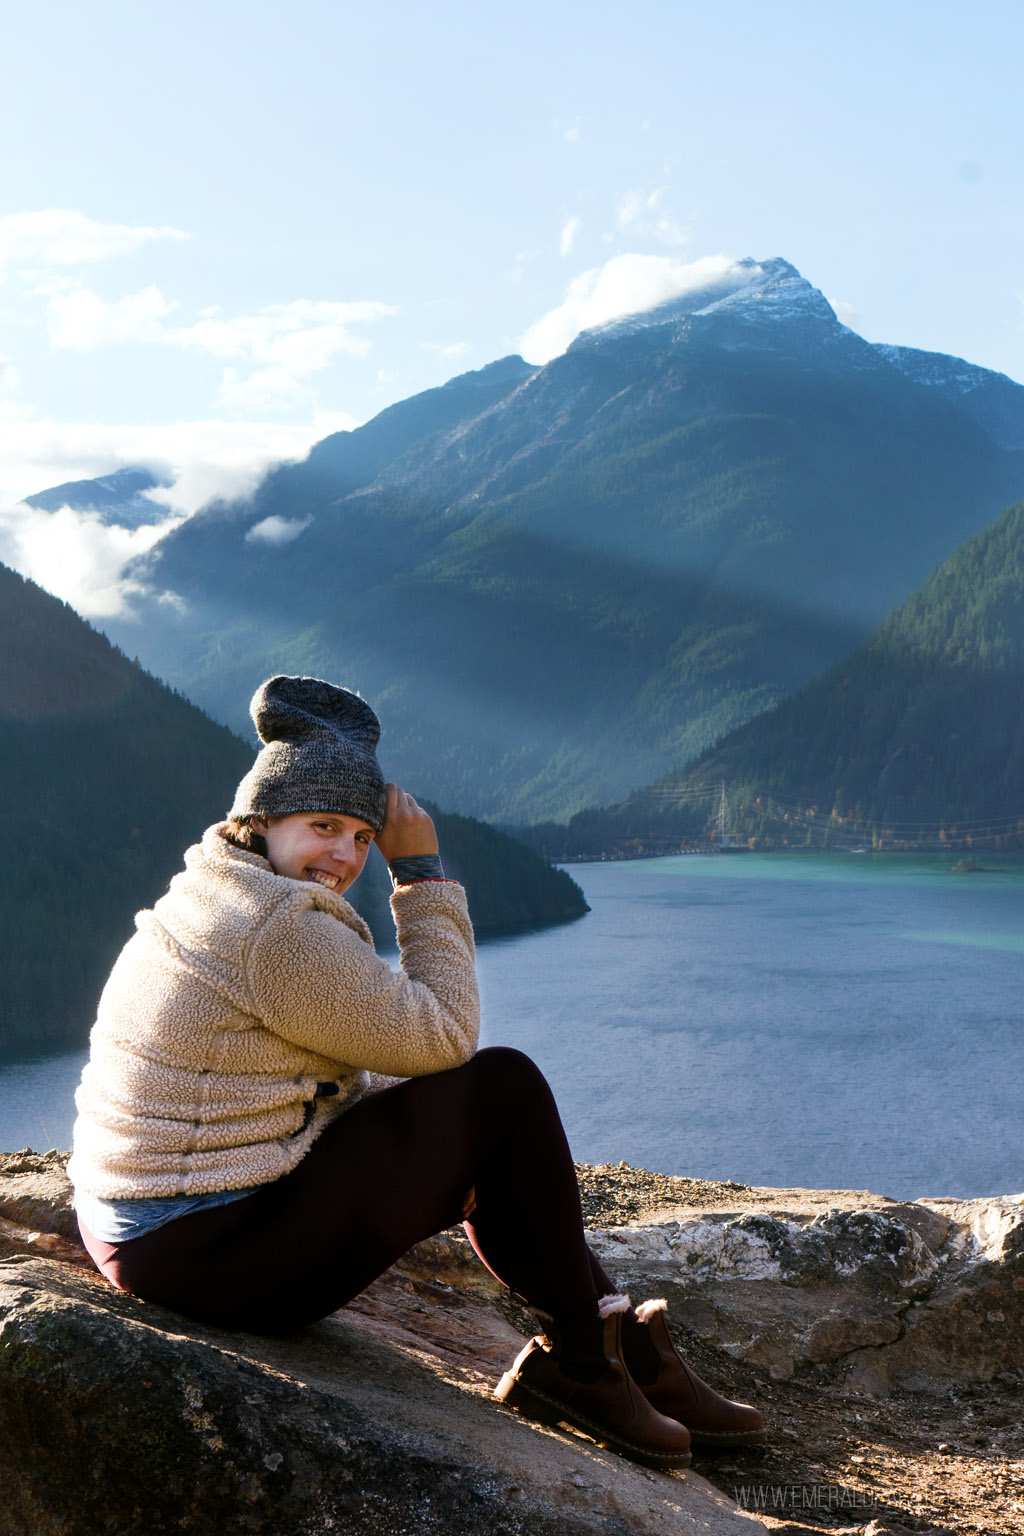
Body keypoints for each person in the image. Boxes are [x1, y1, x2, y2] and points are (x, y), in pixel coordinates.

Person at [70, 674, 764, 1471]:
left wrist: (442, 1132)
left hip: (154, 1226)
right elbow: (445, 1036)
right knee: (501, 1089)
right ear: (260, 820)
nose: (344, 854)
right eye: (323, 825)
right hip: (200, 1251)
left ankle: (610, 1351)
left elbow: (349, 1073)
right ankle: (589, 1361)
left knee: (478, 1117)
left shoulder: (219, 889)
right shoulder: (276, 929)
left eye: (363, 837)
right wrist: (422, 875)